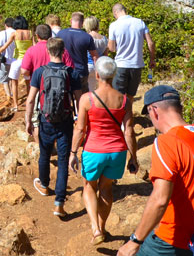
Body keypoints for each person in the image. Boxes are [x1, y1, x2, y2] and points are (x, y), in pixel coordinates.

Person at [118, 86, 194, 256]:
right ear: (179, 108)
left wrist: (135, 241)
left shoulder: (166, 142)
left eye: (149, 114)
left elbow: (160, 199)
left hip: (172, 238)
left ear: (154, 111)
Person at [70, 56, 139, 245]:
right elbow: (130, 131)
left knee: (89, 187)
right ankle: (103, 226)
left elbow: (80, 129)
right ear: (114, 74)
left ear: (97, 74)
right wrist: (133, 157)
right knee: (106, 189)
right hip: (117, 151)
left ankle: (95, 228)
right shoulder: (124, 101)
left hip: (94, 150)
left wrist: (73, 152)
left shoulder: (87, 99)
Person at [26, 37, 83, 218]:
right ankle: (59, 203)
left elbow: (30, 100)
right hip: (65, 121)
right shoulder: (71, 73)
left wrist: (28, 121)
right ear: (63, 51)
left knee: (45, 154)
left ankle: (43, 184)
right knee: (63, 160)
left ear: (48, 51)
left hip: (46, 120)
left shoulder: (40, 72)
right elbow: (80, 100)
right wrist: (80, 122)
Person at [108, 3, 155, 100]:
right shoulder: (140, 22)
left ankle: (120, 115)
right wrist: (152, 59)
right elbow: (150, 43)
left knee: (118, 96)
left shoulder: (114, 25)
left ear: (115, 12)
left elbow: (111, 48)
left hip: (121, 64)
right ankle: (129, 115)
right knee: (130, 96)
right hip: (136, 64)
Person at [57, 11, 98, 96]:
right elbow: (94, 56)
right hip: (81, 71)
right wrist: (97, 71)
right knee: (82, 98)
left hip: (64, 71)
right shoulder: (87, 37)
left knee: (65, 98)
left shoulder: (61, 34)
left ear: (70, 20)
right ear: (82, 23)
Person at [0, 17, 18, 109]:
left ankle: (8, 95)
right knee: (12, 78)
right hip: (15, 59)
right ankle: (12, 95)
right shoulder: (17, 33)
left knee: (4, 79)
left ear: (6, 25)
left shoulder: (2, 33)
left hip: (5, 59)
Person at [85, 16, 109, 92]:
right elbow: (105, 55)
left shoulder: (87, 37)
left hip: (88, 65)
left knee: (86, 90)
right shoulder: (104, 38)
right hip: (99, 66)